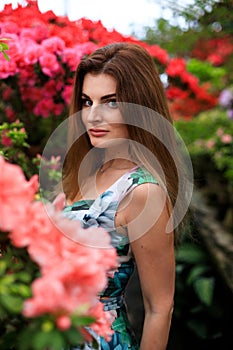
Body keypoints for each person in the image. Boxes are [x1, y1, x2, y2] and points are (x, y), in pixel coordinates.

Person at [61, 42, 188, 350]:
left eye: (111, 102)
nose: (93, 116)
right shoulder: (85, 173)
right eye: (87, 101)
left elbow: (160, 307)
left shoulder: (143, 191)